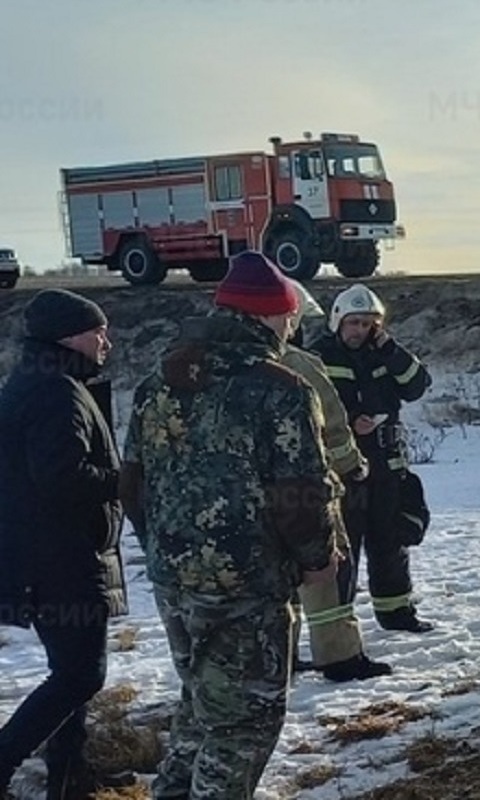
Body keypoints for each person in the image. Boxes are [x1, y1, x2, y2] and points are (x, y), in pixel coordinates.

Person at [118, 251, 339, 800]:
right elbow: (300, 494)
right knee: (245, 721)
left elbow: (132, 483)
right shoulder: (279, 388)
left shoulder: (159, 381)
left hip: (174, 578)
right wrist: (318, 556)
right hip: (248, 583)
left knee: (201, 704)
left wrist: (169, 548)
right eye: (289, 317)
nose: (292, 327)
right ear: (268, 315)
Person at [0, 289, 134, 798]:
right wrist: (122, 481)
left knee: (70, 673)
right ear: (68, 336)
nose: (108, 341)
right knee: (81, 676)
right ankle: (5, 758)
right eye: (98, 331)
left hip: (46, 556)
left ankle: (69, 776)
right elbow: (61, 478)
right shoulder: (55, 390)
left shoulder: (42, 381)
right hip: (59, 560)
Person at [281, 280, 393, 683]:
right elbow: (334, 430)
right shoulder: (300, 365)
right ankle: (340, 658)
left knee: (275, 584)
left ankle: (282, 657)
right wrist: (353, 467)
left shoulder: (199, 365)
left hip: (242, 503)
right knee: (329, 574)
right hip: (306, 491)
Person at [310, 284, 434, 634]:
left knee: (390, 543)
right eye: (354, 323)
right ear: (338, 321)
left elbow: (417, 385)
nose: (360, 331)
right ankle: (339, 631)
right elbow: (309, 405)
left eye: (368, 324)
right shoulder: (319, 357)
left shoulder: (383, 354)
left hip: (386, 466)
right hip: (343, 471)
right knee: (342, 552)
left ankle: (397, 613)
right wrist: (350, 420)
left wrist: (389, 347)